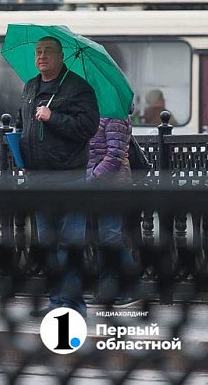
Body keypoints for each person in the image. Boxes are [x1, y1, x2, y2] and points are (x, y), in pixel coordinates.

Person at [16, 36, 99, 318]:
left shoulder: (78, 88)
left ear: (61, 56)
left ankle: (74, 305)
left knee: (69, 245)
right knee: (49, 245)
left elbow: (88, 127)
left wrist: (54, 118)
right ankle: (56, 302)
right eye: (38, 51)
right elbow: (23, 120)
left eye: (48, 52)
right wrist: (16, 139)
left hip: (68, 177)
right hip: (38, 177)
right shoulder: (30, 86)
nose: (42, 56)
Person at [86, 108, 142, 308]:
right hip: (97, 185)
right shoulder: (95, 114)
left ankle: (133, 286)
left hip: (112, 186)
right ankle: (107, 289)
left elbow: (115, 156)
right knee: (103, 239)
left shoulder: (115, 116)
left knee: (111, 237)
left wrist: (91, 177)